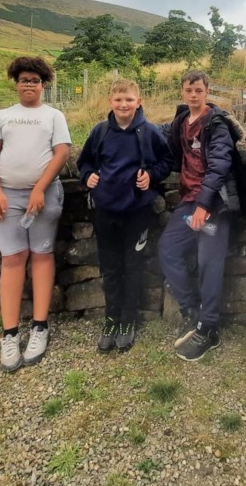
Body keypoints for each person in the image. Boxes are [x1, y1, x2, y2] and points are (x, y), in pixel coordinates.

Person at [0, 57, 71, 373]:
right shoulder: (3, 116)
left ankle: (40, 326)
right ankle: (9, 334)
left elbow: (62, 152)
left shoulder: (53, 116)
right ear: (16, 83)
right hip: (8, 196)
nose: (28, 84)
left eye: (34, 80)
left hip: (43, 195)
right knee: (12, 259)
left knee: (42, 255)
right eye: (23, 80)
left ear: (43, 83)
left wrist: (39, 189)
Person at [77, 79, 173, 353]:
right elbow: (84, 161)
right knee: (110, 266)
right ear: (111, 102)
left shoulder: (150, 132)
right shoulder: (100, 132)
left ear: (139, 102)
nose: (123, 105)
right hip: (106, 210)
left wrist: (151, 176)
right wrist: (88, 176)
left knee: (133, 265)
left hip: (136, 211)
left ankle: (128, 321)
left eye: (129, 100)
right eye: (118, 100)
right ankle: (111, 320)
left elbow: (166, 161)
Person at [158, 70, 235, 362]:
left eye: (198, 90)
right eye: (189, 90)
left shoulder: (216, 124)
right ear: (182, 91)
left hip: (213, 204)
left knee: (208, 263)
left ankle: (208, 328)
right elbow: (158, 138)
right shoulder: (181, 121)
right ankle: (193, 311)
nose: (193, 95)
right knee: (168, 249)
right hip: (188, 203)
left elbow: (219, 166)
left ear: (207, 91)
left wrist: (204, 205)